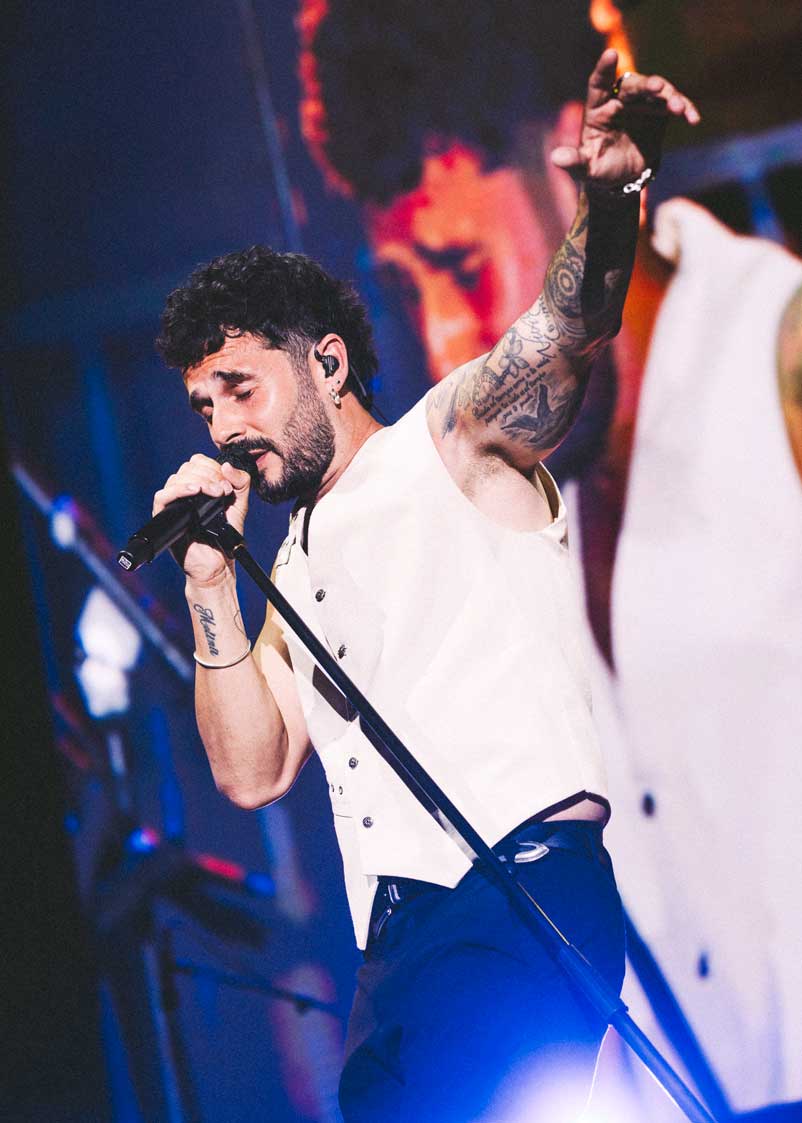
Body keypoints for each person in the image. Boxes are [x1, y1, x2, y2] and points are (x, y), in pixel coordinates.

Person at [153, 52, 697, 1121]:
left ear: (328, 365)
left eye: (240, 389)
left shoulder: (448, 442)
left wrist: (610, 196)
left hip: (516, 889)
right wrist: (210, 579)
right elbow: (252, 773)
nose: (223, 426)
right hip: (398, 944)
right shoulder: (287, 566)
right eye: (203, 407)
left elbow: (566, 332)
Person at [298, 2, 802, 1115]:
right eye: (411, 286)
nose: (446, 335)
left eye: (460, 262)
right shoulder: (491, 500)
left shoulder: (778, 355)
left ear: (575, 166)